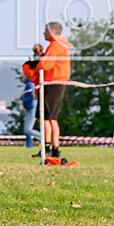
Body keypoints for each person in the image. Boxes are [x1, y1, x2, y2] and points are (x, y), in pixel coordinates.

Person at [33, 22, 72, 159]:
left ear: (53, 31)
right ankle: (54, 149)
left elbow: (46, 64)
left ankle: (47, 148)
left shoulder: (56, 45)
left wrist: (37, 62)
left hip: (52, 83)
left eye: (45, 30)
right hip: (57, 83)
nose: (43, 33)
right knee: (51, 118)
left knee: (46, 118)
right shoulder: (60, 45)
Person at [20, 44, 43, 148]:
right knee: (27, 129)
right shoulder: (29, 83)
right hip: (30, 106)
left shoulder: (30, 83)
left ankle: (44, 138)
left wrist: (23, 100)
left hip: (32, 106)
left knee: (28, 129)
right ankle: (30, 145)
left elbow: (32, 96)